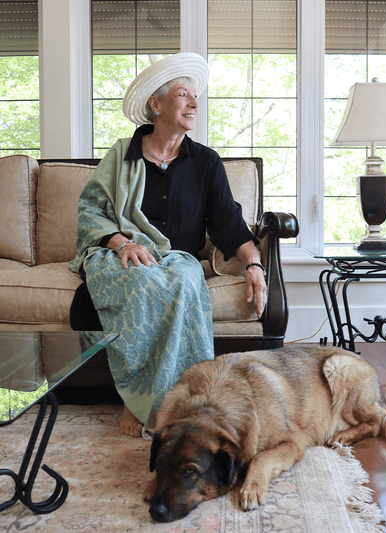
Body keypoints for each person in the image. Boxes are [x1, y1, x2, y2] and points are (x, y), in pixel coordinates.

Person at [69, 53, 267, 439]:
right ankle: (135, 398)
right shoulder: (122, 154)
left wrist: (254, 263)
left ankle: (185, 400)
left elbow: (228, 220)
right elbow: (90, 209)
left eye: (196, 96)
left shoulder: (205, 162)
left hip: (177, 258)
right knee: (141, 283)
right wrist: (119, 241)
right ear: (156, 105)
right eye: (183, 94)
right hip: (119, 253)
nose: (195, 103)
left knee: (179, 282)